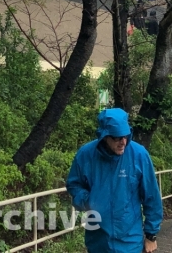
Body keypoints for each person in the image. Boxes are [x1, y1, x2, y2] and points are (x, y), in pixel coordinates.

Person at [66, 107, 163, 253]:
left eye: (125, 136)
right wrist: (87, 201)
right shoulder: (85, 155)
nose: (123, 142)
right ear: (105, 136)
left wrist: (151, 235)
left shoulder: (139, 155)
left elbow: (152, 197)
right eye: (117, 137)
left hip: (129, 241)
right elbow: (73, 184)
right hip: (98, 241)